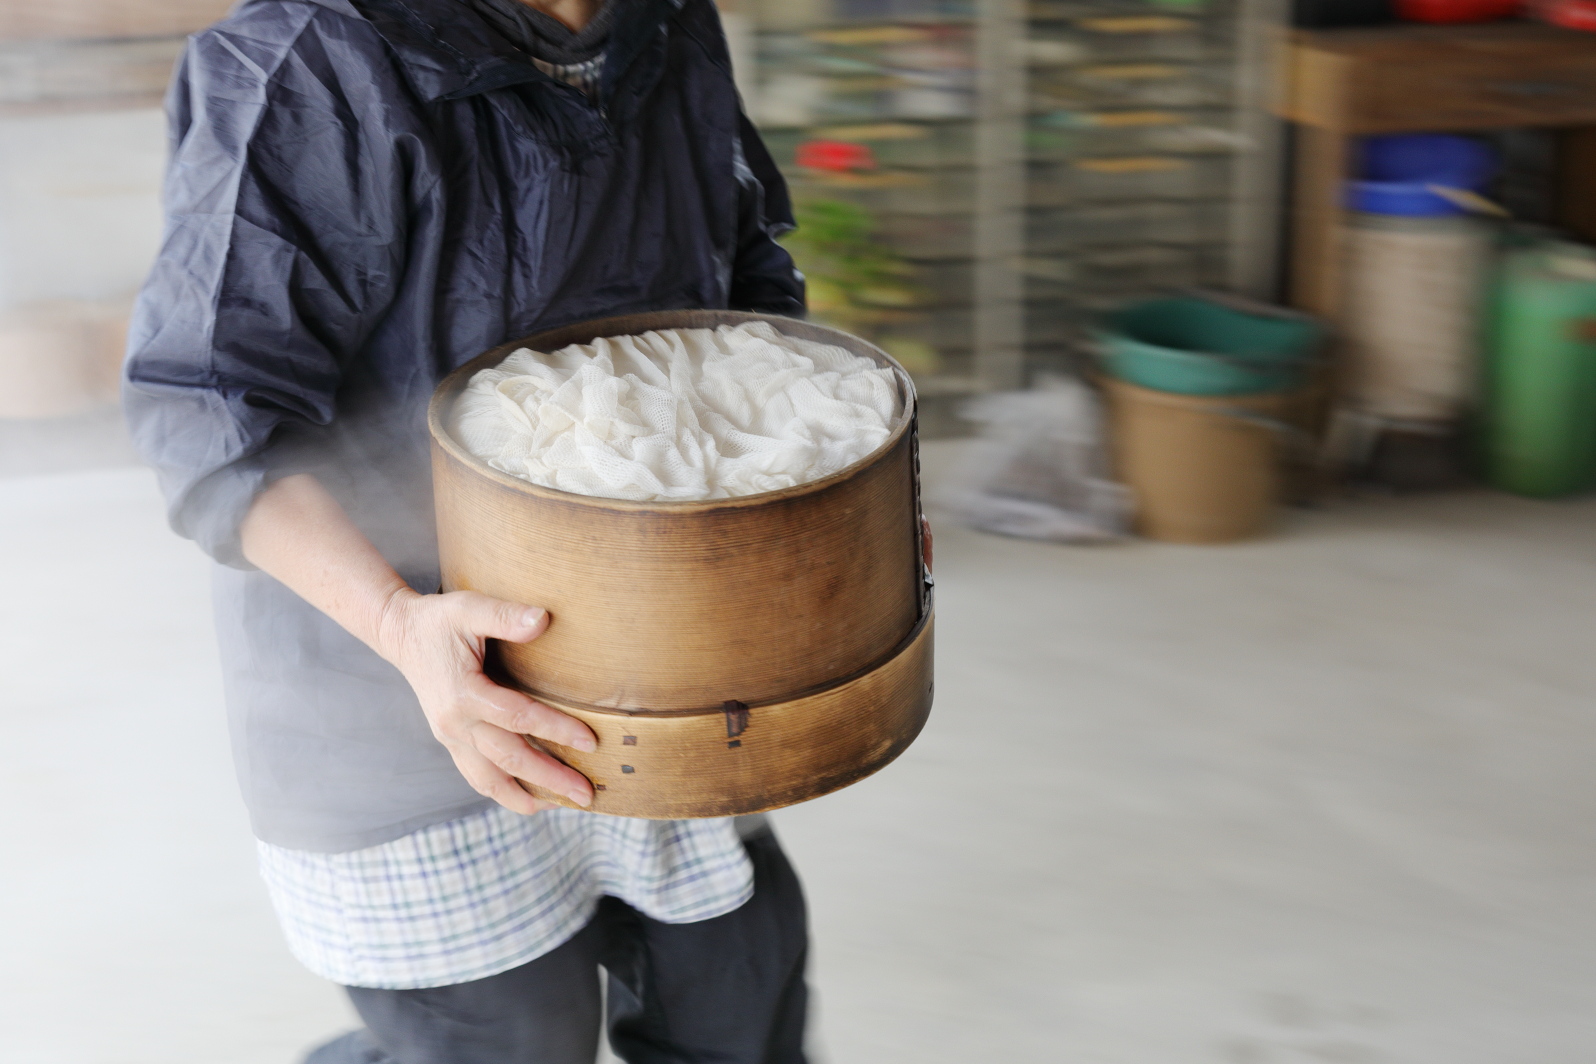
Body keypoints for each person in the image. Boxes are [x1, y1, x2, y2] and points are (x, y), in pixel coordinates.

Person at [123, 0, 811, 1061]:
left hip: (665, 661)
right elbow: (210, 413)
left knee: (738, 1005)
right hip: (409, 697)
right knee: (508, 1042)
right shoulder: (305, 62)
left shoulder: (669, 20)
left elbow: (746, 284)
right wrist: (400, 623)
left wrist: (836, 501)